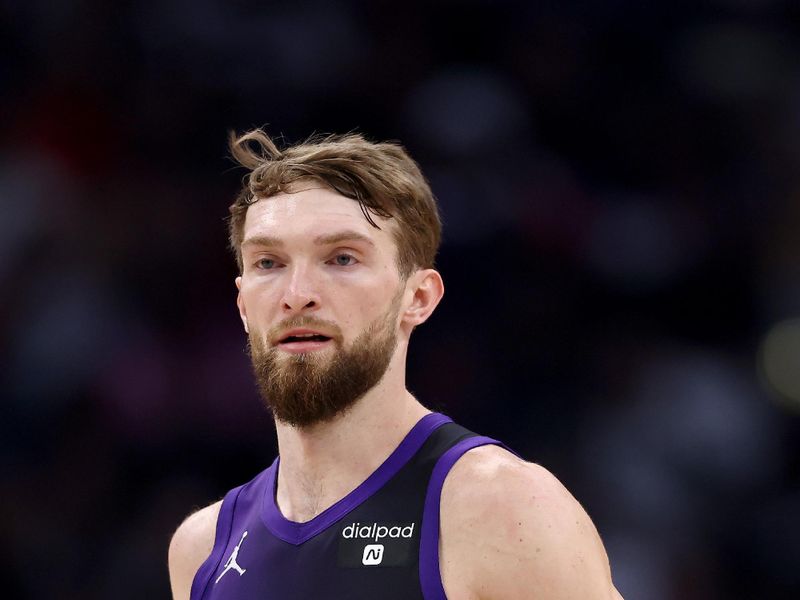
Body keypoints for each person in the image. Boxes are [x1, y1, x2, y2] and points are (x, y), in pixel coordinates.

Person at [168, 129, 624, 600]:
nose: (295, 294)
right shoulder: (201, 549)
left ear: (418, 297)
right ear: (243, 305)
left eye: (341, 258)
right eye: (268, 262)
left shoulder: (501, 508)